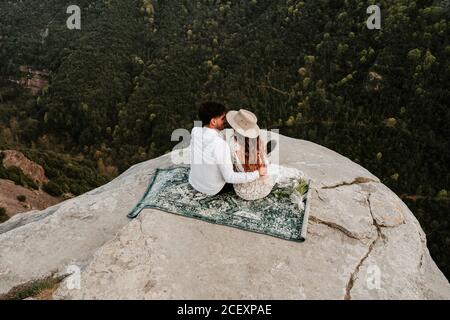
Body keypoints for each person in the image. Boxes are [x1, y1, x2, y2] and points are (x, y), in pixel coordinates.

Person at [188, 102, 266, 196]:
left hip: (194, 182)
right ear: (213, 121)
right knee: (239, 170)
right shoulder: (220, 144)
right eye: (222, 118)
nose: (225, 121)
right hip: (213, 189)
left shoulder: (195, 131)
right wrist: (257, 174)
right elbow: (229, 178)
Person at [225, 109, 276, 200]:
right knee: (267, 164)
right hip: (264, 190)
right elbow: (265, 168)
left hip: (243, 192)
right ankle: (263, 154)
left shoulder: (231, 145)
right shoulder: (258, 141)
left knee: (230, 166)